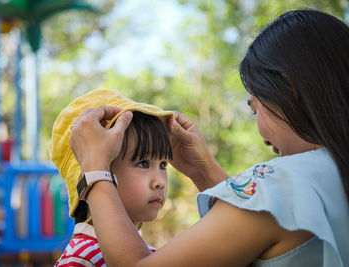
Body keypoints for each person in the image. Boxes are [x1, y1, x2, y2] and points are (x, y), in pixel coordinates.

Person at [68, 9, 349, 266]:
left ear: (289, 91)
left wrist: (95, 169)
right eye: (143, 163)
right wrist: (201, 169)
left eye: (255, 109)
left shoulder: (284, 185)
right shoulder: (332, 176)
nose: (262, 136)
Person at [49, 89, 174, 266]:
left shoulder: (147, 254)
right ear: (94, 170)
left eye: (163, 165)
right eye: (143, 163)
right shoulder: (82, 258)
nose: (160, 182)